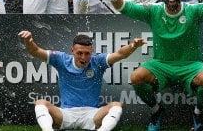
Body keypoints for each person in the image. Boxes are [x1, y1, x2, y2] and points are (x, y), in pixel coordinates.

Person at [99, 0, 203, 131]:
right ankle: (156, 110)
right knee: (136, 77)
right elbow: (125, 8)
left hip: (190, 65)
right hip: (161, 65)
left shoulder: (193, 10)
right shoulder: (154, 10)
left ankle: (197, 113)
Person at [17, 32, 145, 131]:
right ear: (72, 51)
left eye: (87, 53)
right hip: (65, 114)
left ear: (92, 52)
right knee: (40, 103)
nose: (83, 57)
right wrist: (29, 41)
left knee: (116, 105)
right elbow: (35, 51)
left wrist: (133, 45)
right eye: (79, 53)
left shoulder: (98, 61)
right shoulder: (61, 59)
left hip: (92, 115)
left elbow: (120, 54)